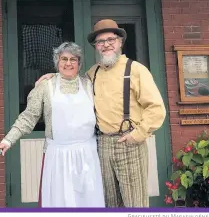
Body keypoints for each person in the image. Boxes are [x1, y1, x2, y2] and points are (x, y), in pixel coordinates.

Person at [36, 19, 166, 207]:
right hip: (102, 144)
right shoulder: (92, 73)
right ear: (96, 47)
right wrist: (54, 76)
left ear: (120, 42)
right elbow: (71, 79)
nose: (106, 45)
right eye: (100, 42)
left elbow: (156, 108)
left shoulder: (136, 70)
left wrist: (137, 135)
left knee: (135, 203)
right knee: (108, 202)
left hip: (129, 143)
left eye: (111, 39)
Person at [0, 42, 105, 208]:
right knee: (59, 201)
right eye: (64, 59)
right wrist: (8, 140)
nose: (68, 63)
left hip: (88, 154)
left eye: (73, 59)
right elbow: (28, 117)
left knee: (89, 201)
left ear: (79, 63)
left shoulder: (90, 84)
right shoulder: (45, 86)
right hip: (57, 155)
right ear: (57, 62)